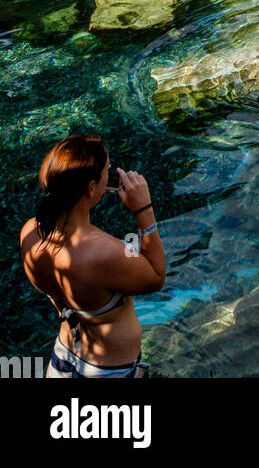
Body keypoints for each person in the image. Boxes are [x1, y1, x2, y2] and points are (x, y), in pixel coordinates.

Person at [19, 135, 165, 378]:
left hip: (62, 359)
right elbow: (156, 276)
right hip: (109, 370)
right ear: (90, 187)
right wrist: (143, 212)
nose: (110, 175)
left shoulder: (30, 233)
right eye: (107, 171)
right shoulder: (105, 253)